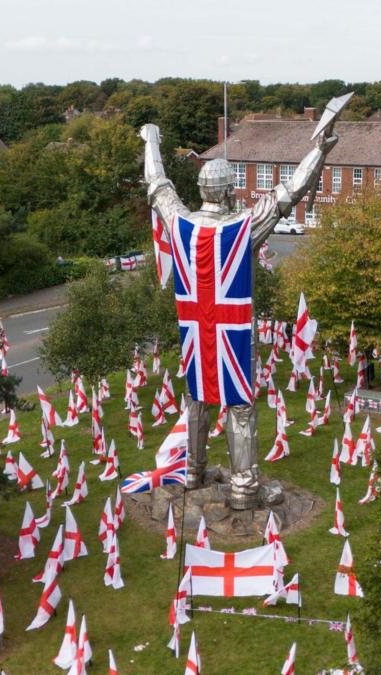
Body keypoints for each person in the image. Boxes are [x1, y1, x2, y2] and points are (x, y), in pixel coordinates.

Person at [139, 121, 339, 509]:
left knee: (197, 397)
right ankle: (244, 489)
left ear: (201, 191)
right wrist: (320, 150)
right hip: (232, 334)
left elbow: (158, 185)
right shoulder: (242, 227)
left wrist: (152, 140)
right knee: (240, 407)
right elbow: (289, 192)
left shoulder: (180, 223)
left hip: (194, 332)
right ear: (230, 191)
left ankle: (193, 473)